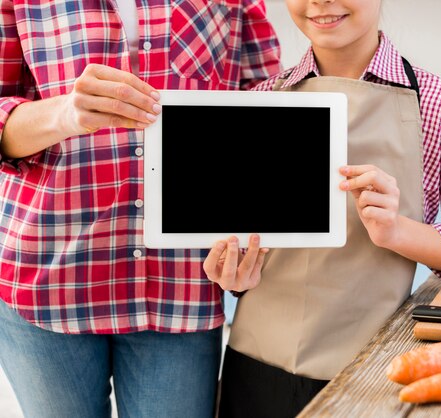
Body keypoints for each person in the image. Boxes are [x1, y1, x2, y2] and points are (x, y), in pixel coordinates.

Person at [203, 1, 441, 417]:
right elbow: (245, 241)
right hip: (255, 369)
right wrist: (235, 273)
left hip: (373, 370)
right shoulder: (260, 100)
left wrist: (397, 232)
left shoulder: (438, 104)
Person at [0, 2, 281, 417]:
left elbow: (271, 125)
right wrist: (64, 113)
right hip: (48, 280)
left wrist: (254, 247)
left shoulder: (239, 4)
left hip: (182, 285)